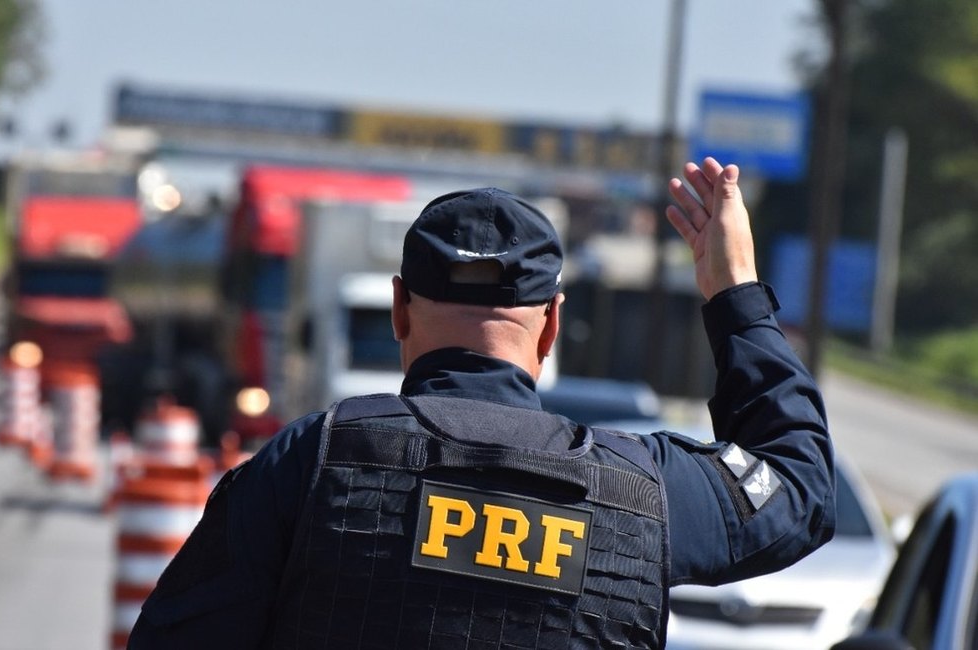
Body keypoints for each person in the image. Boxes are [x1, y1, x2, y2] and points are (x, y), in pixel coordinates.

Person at [127, 158, 835, 649]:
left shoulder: (311, 462)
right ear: (552, 325)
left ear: (401, 308)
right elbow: (800, 486)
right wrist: (734, 292)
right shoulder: (644, 492)